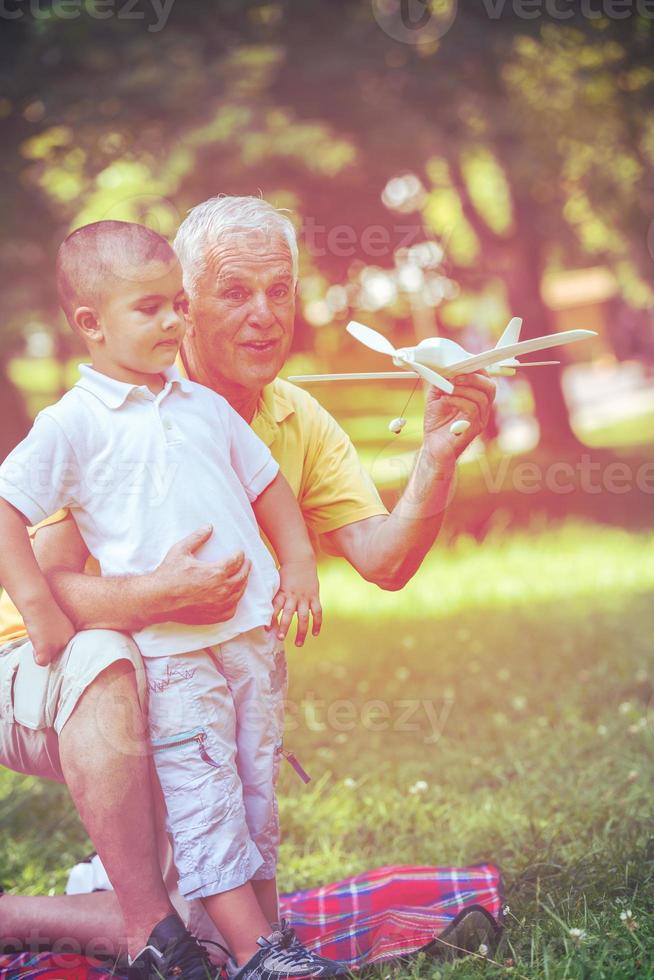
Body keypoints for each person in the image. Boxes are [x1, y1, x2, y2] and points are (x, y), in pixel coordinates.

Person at [0, 196, 496, 975]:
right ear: (186, 309)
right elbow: (55, 589)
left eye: (281, 290)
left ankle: (175, 913)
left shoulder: (284, 416)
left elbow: (384, 561)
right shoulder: (102, 420)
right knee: (117, 673)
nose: (266, 316)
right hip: (51, 668)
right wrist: (159, 597)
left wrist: (437, 454)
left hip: (172, 671)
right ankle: (136, 922)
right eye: (235, 292)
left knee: (229, 855)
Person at [0, 220, 348, 980]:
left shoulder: (202, 406)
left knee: (257, 788)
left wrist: (299, 568)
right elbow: (6, 506)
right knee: (205, 794)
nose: (173, 322)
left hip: (253, 641)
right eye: (150, 308)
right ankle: (254, 953)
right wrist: (38, 605)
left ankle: (267, 936)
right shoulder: (74, 423)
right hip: (171, 654)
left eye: (178, 305)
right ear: (90, 324)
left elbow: (270, 488)